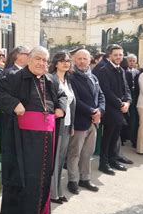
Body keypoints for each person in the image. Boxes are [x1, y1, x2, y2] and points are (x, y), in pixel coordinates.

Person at [0, 46, 67, 214]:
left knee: (44, 177)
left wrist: (60, 107)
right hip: (23, 140)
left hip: (47, 138)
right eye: (37, 58)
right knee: (26, 180)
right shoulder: (15, 77)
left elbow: (62, 95)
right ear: (29, 60)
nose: (41, 63)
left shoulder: (50, 80)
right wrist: (13, 103)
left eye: (45, 60)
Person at [67, 49, 104, 194]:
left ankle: (85, 178)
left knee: (88, 152)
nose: (82, 61)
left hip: (93, 122)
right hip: (80, 121)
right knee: (75, 152)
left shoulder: (93, 77)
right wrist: (92, 112)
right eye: (79, 59)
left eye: (85, 59)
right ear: (74, 60)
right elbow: (76, 100)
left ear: (90, 60)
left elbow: (101, 95)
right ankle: (72, 180)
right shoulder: (71, 77)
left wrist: (100, 110)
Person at [95, 44, 131, 175]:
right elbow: (106, 91)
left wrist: (127, 102)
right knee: (108, 138)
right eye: (116, 55)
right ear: (109, 55)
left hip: (120, 108)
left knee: (116, 137)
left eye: (121, 55)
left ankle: (113, 160)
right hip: (110, 109)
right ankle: (103, 163)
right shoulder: (103, 70)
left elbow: (126, 89)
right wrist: (121, 104)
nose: (118, 57)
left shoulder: (121, 69)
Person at [49, 51, 75, 203]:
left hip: (67, 125)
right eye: (62, 60)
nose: (66, 63)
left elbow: (71, 105)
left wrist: (71, 125)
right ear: (56, 63)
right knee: (54, 160)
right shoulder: (51, 79)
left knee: (61, 159)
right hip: (55, 125)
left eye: (68, 61)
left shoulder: (68, 80)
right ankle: (52, 193)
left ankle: (58, 190)